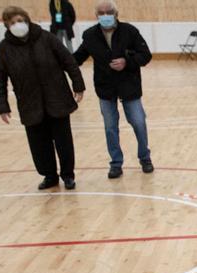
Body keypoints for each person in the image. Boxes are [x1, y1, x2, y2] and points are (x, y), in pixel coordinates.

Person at [0, 6, 85, 190]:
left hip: (57, 99)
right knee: (39, 145)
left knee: (63, 141)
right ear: (6, 26)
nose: (17, 25)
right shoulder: (4, 48)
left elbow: (68, 61)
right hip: (30, 103)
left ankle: (68, 175)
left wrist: (78, 85)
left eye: (20, 20)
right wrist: (2, 106)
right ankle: (49, 176)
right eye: (12, 23)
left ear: (27, 20)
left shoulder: (46, 38)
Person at [73, 0, 152, 179]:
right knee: (110, 128)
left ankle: (145, 157)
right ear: (96, 15)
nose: (105, 15)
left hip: (129, 86)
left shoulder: (130, 31)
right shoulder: (90, 35)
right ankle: (116, 163)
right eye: (101, 12)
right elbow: (77, 57)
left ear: (116, 14)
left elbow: (145, 55)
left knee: (139, 123)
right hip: (105, 89)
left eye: (109, 12)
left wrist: (127, 62)